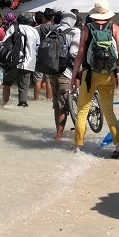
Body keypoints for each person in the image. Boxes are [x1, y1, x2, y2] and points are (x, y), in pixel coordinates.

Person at [69, 0, 119, 157]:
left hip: (90, 75)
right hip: (109, 75)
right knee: (109, 112)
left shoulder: (87, 28)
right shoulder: (114, 27)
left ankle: (77, 148)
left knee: (82, 111)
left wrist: (73, 77)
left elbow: (80, 54)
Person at [45, 11, 80, 140]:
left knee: (56, 105)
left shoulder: (53, 30)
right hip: (66, 72)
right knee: (64, 106)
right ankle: (58, 138)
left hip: (52, 71)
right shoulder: (75, 32)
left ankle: (58, 132)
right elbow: (74, 52)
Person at [0, 13, 39, 107]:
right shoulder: (34, 31)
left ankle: (5, 105)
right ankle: (22, 105)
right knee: (24, 87)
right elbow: (37, 48)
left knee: (7, 83)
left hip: (14, 61)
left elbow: (4, 44)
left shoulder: (13, 28)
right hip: (29, 63)